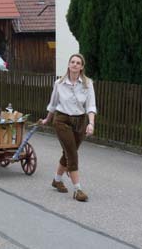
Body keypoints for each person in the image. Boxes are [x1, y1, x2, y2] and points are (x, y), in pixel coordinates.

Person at [41, 53, 97, 202]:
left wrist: (91, 123)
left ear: (82, 67)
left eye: (78, 63)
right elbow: (53, 104)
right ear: (68, 65)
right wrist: (47, 119)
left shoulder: (87, 83)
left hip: (80, 121)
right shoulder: (59, 83)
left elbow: (91, 105)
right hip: (62, 120)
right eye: (72, 62)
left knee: (68, 151)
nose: (75, 64)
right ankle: (78, 189)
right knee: (72, 153)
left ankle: (57, 180)